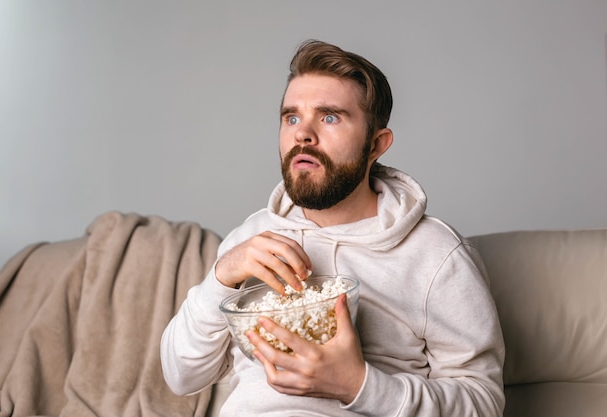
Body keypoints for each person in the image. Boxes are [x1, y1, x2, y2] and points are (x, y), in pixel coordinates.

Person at [160, 39, 505, 416]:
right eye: (291, 117)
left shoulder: (436, 255)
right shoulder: (251, 241)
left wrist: (359, 385)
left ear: (376, 145)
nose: (302, 134)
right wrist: (221, 277)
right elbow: (181, 377)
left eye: (329, 117)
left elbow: (482, 404)